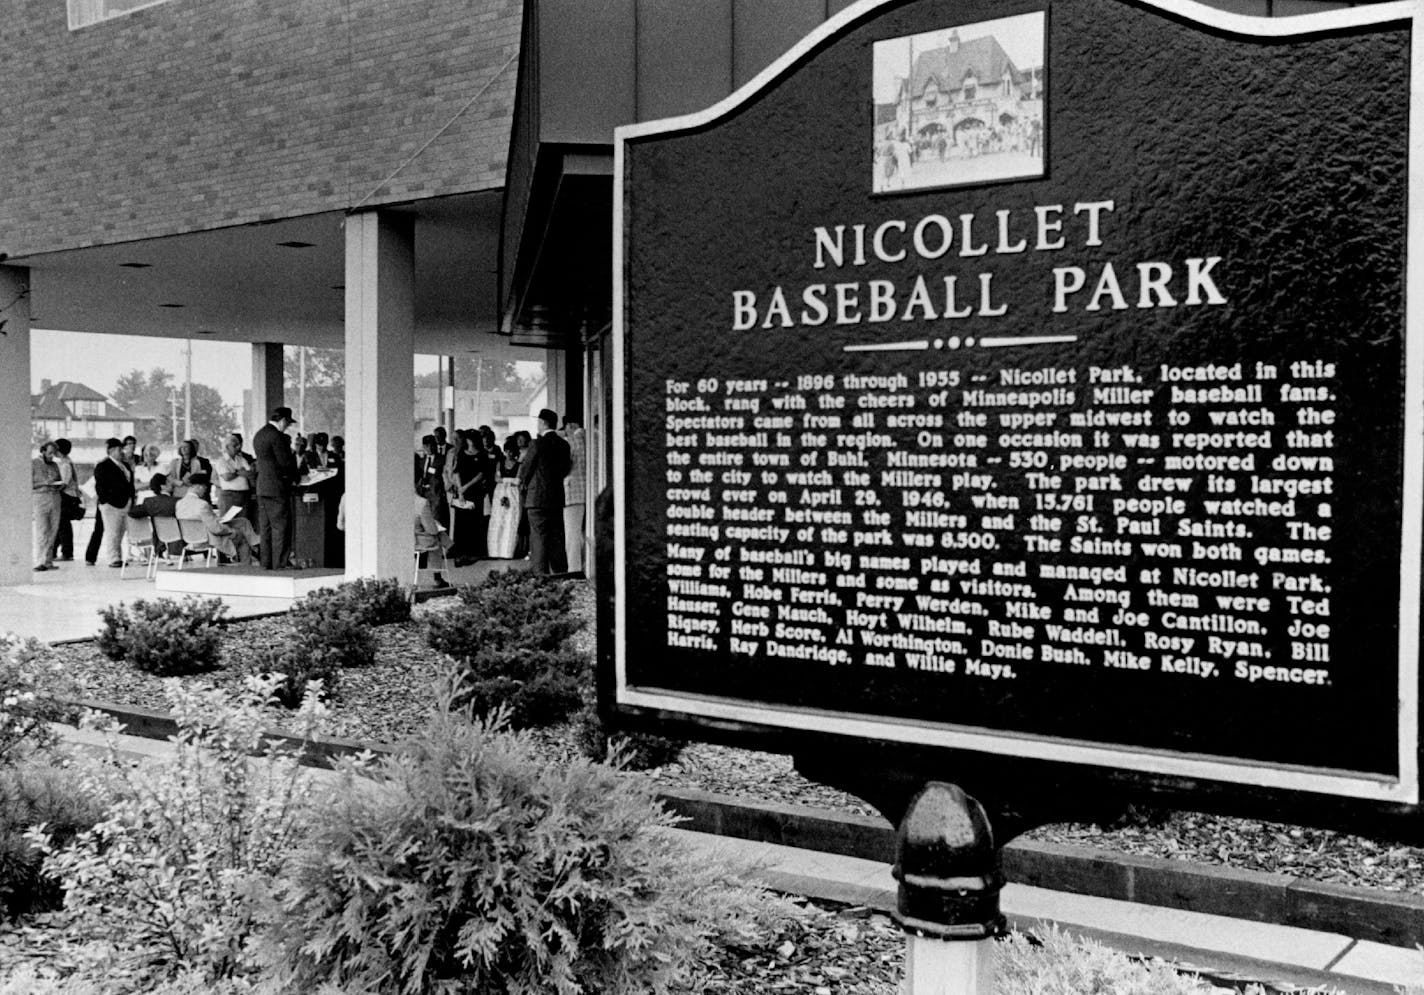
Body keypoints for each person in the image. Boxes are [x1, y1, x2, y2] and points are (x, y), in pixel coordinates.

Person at [518, 408, 571, 574]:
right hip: (556, 497)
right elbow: (565, 469)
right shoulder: (564, 444)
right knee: (557, 537)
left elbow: (526, 469)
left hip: (536, 499)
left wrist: (523, 484)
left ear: (542, 423)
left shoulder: (537, 443)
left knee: (539, 537)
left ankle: (540, 575)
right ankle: (560, 573)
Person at [176, 473, 260, 565]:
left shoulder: (179, 503)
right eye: (205, 487)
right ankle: (247, 565)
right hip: (208, 538)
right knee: (240, 535)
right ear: (198, 486)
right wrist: (231, 530)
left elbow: (201, 520)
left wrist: (218, 520)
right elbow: (216, 529)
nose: (205, 490)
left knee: (242, 522)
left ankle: (254, 544)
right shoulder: (202, 504)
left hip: (189, 537)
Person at [253, 405, 299, 569]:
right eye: (287, 423)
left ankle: (266, 563)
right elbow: (284, 462)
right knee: (281, 526)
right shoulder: (277, 436)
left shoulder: (259, 434)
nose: (287, 427)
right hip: (277, 487)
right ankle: (280, 562)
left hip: (262, 486)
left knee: (266, 528)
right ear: (283, 420)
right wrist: (296, 474)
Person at [93, 436, 135, 567]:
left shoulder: (126, 465)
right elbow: (100, 486)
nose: (122, 452)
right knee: (112, 532)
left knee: (121, 532)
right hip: (111, 505)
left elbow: (130, 484)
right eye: (119, 449)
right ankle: (113, 558)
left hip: (125, 503)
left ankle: (119, 556)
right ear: (111, 450)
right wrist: (106, 502)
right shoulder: (103, 466)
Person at [448, 429, 487, 567]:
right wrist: (460, 489)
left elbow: (481, 474)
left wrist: (466, 487)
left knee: (474, 522)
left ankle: (472, 553)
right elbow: (456, 471)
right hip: (462, 492)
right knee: (461, 522)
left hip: (475, 492)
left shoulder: (482, 454)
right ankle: (460, 554)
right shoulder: (461, 453)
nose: (470, 441)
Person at [31, 441, 63, 572]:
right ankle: (40, 561)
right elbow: (29, 483)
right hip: (40, 497)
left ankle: (48, 560)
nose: (52, 456)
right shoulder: (33, 464)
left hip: (55, 497)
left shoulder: (55, 465)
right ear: (43, 451)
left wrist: (59, 484)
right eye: (50, 453)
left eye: (54, 454)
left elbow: (59, 479)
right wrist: (44, 483)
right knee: (42, 530)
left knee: (53, 530)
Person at [561, 417, 586, 574]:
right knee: (588, 532)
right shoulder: (596, 439)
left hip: (572, 491)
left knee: (572, 534)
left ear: (570, 425)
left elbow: (564, 466)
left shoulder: (569, 442)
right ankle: (590, 565)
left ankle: (574, 569)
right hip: (593, 491)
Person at [414, 486, 452, 589]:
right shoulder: (421, 503)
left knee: (437, 532)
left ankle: (451, 546)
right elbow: (431, 529)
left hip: (409, 538)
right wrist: (436, 525)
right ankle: (437, 577)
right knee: (436, 537)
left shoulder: (398, 499)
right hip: (419, 541)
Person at [50, 438, 80, 562]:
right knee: (60, 525)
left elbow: (64, 482)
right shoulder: (65, 462)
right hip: (67, 496)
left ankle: (67, 553)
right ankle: (54, 552)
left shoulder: (65, 464)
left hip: (66, 497)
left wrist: (52, 486)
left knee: (63, 526)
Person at [214, 432, 255, 521]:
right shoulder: (221, 461)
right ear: (227, 447)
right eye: (235, 446)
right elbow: (226, 477)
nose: (238, 448)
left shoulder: (241, 459)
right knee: (228, 521)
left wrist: (236, 472)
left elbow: (250, 473)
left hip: (244, 495)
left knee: (244, 522)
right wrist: (238, 472)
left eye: (239, 445)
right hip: (229, 495)